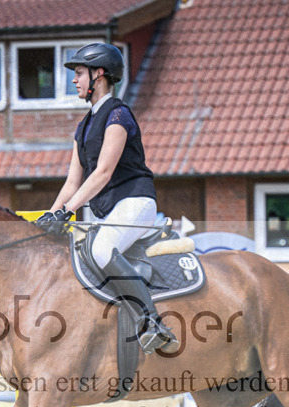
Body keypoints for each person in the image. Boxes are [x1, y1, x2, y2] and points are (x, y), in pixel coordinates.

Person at [36, 42, 177, 354]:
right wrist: (50, 214)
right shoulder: (83, 126)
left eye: (79, 73)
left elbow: (102, 172)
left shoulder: (118, 114)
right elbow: (73, 181)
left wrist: (67, 212)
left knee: (100, 251)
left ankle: (150, 321)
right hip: (107, 211)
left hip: (134, 202)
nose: (74, 80)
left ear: (99, 75)